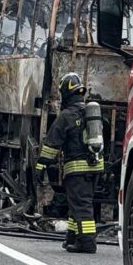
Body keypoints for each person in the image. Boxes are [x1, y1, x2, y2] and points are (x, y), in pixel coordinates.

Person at [34, 73, 104, 253]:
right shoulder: (89, 114)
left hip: (77, 169)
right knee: (77, 204)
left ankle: (87, 243)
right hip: (95, 167)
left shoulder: (66, 116)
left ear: (66, 93)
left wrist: (41, 166)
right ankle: (72, 238)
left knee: (81, 206)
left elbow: (51, 144)